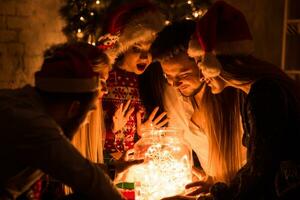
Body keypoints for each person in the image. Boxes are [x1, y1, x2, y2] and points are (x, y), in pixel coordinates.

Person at [172, 1, 300, 199]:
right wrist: (218, 188)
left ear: (215, 61)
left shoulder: (265, 93)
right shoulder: (249, 92)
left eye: (200, 61)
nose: (200, 72)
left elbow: (261, 174)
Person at [0, 42, 125, 200]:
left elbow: (65, 165)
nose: (87, 121)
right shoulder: (36, 126)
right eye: (90, 111)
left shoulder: (24, 101)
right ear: (74, 108)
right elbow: (90, 180)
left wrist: (113, 169)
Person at [150, 19, 246, 190]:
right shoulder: (174, 94)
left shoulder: (239, 100)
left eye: (184, 74)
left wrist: (219, 187)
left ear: (201, 62)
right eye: (168, 76)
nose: (174, 83)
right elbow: (176, 145)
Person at [97, 0, 168, 178]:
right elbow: (91, 136)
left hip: (135, 168)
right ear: (124, 49)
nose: (145, 56)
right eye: (137, 48)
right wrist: (113, 129)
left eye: (149, 49)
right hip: (107, 167)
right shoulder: (107, 80)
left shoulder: (150, 81)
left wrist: (144, 133)